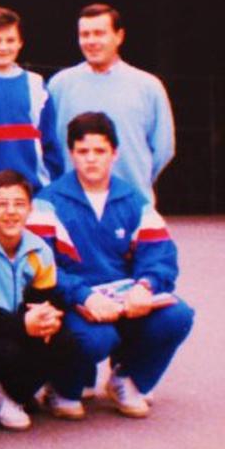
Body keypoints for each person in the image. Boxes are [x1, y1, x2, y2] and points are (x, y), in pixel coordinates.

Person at [27, 112, 194, 419]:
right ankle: (64, 387)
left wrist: (146, 286)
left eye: (100, 151)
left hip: (123, 300)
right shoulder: (48, 201)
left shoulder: (134, 200)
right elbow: (40, 266)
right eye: (83, 151)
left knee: (178, 316)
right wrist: (83, 296)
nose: (91, 159)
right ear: (72, 154)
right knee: (95, 339)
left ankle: (126, 378)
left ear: (115, 154)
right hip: (75, 304)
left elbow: (159, 254)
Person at [0, 169, 73, 430]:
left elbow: (42, 302)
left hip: (14, 320)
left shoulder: (40, 250)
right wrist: (22, 324)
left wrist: (49, 319)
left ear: (30, 209)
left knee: (63, 339)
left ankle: (12, 396)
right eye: (1, 204)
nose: (11, 211)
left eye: (19, 204)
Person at [47, 3, 175, 202]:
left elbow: (163, 148)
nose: (91, 41)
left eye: (99, 33)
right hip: (72, 205)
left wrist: (136, 179)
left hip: (132, 203)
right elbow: (48, 146)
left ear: (119, 36)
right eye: (85, 34)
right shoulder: (59, 85)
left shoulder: (148, 87)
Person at [0, 7, 61, 191]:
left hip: (32, 191)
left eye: (10, 40)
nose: (3, 47)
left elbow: (50, 142)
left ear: (20, 43)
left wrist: (47, 184)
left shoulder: (36, 84)